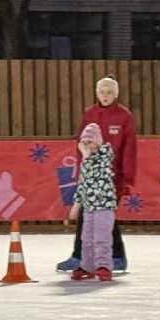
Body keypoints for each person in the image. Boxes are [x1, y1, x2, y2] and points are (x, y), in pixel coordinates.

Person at [57, 76, 137, 274]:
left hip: (113, 177)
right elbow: (81, 142)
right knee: (94, 214)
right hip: (91, 174)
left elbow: (129, 148)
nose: (105, 96)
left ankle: (87, 257)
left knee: (103, 215)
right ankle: (105, 256)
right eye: (102, 92)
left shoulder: (124, 116)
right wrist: (82, 168)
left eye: (109, 92)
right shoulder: (90, 113)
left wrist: (127, 176)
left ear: (115, 94)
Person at [66, 123, 117, 281]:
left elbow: (98, 174)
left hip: (104, 206)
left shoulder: (105, 155)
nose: (88, 146)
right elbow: (82, 184)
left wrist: (86, 157)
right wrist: (76, 205)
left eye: (91, 142)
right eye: (85, 143)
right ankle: (87, 265)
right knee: (86, 238)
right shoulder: (86, 160)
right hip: (89, 208)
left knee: (102, 237)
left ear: (98, 142)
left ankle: (104, 265)